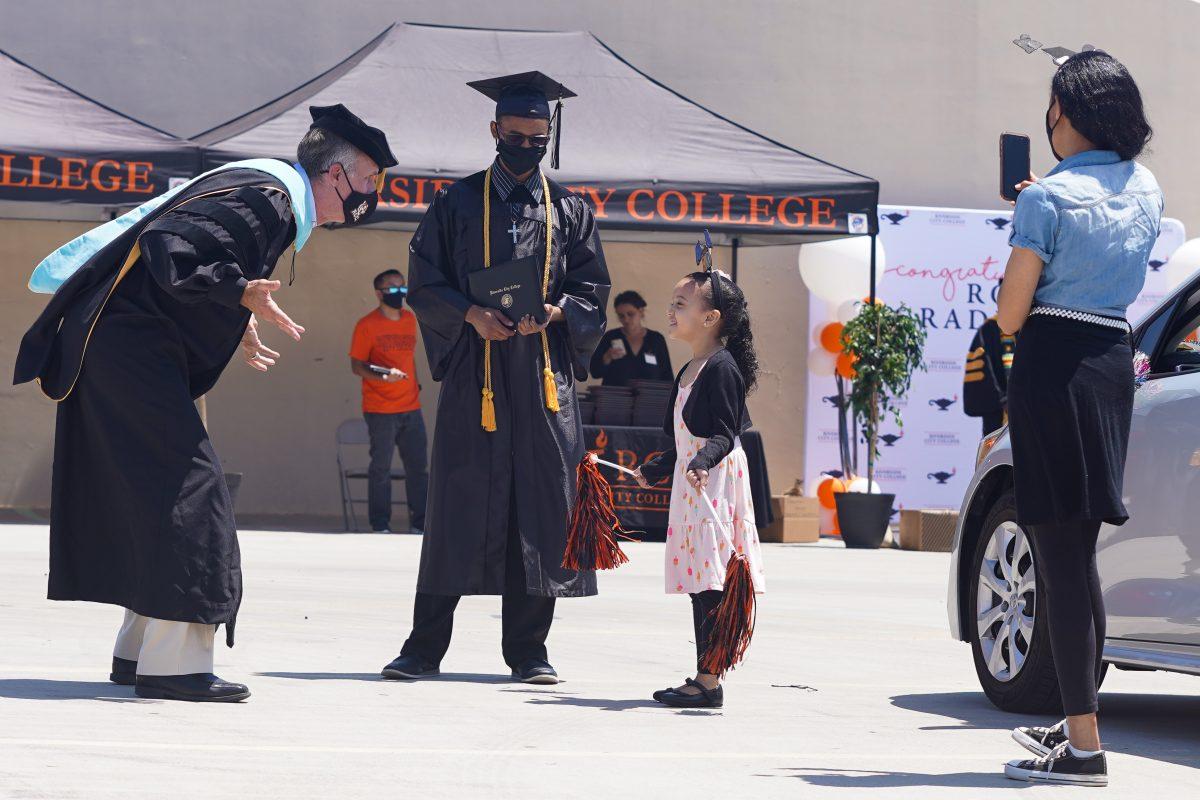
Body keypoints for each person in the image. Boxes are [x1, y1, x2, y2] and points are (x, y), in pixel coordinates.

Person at [13, 104, 397, 702]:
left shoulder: (265, 193)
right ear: (337, 175)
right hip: (129, 353)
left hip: (119, 349)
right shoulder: (269, 196)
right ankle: (174, 668)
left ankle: (140, 650)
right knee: (193, 492)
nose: (374, 193)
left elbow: (177, 264)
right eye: (370, 179)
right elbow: (172, 247)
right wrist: (239, 290)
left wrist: (233, 314)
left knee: (158, 492)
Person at [379, 71, 610, 685]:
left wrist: (559, 312)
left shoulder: (570, 210)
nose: (527, 146)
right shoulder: (455, 204)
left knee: (540, 507)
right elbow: (424, 284)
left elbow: (593, 293)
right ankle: (423, 647)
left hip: (541, 382)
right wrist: (470, 315)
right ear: (494, 130)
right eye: (516, 135)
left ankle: (529, 652)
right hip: (476, 380)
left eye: (539, 138)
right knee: (457, 502)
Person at [996, 50, 1161, 786]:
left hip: (1052, 363)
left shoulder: (1045, 200)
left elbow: (1010, 313)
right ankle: (1076, 720)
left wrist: (1038, 210)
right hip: (1111, 362)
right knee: (1079, 551)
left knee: (1057, 560)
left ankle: (1086, 751)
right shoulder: (1147, 185)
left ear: (1066, 114)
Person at [633, 268, 765, 709]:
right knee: (699, 580)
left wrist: (703, 462)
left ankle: (709, 681)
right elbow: (683, 439)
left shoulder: (722, 369)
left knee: (712, 582)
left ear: (710, 318)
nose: (670, 311)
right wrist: (657, 467)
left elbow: (725, 434)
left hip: (716, 485)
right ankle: (704, 677)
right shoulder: (690, 367)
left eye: (681, 304)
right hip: (696, 483)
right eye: (672, 302)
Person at [349, 269, 429, 534]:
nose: (399, 292)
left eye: (402, 287)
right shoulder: (366, 325)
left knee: (418, 468)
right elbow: (357, 366)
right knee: (381, 468)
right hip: (380, 408)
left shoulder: (409, 320)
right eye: (392, 288)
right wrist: (384, 377)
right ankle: (380, 524)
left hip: (411, 407)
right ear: (378, 294)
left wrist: (414, 382)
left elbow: (409, 357)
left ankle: (420, 523)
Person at [963, 281, 1016, 436]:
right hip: (997, 411)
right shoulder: (988, 329)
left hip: (1027, 408)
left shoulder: (1029, 328)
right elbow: (984, 371)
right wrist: (1003, 401)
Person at [589, 290, 674, 385]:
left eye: (630, 314)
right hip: (615, 398)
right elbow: (595, 373)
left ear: (641, 311)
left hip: (649, 398)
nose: (626, 319)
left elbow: (667, 377)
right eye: (621, 316)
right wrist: (607, 357)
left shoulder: (656, 339)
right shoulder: (611, 337)